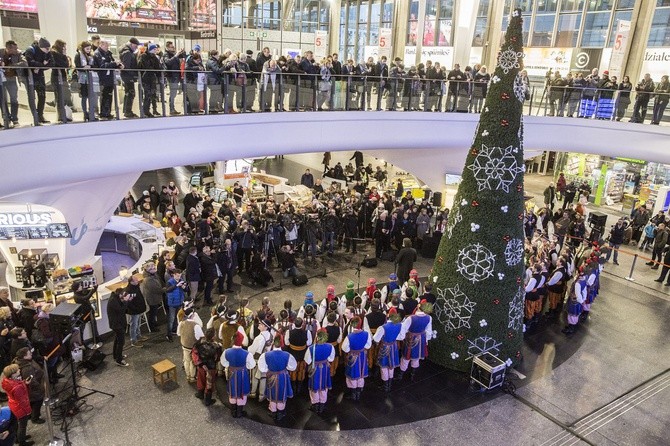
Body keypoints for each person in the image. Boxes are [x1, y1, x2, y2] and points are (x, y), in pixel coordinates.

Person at [257, 334, 297, 421]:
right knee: (281, 392)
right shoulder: (287, 355)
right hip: (283, 376)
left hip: (271, 376)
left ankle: (273, 411)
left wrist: (270, 369)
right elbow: (292, 367)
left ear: (273, 343)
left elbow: (262, 368)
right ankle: (280, 412)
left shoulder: (266, 355)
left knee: (272, 392)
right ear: (282, 343)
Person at [221, 331, 255, 417]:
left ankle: (233, 411)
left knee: (233, 390)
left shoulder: (227, 351)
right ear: (242, 341)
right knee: (242, 391)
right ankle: (239, 412)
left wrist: (231, 365)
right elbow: (251, 365)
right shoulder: (247, 354)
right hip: (243, 374)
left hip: (232, 373)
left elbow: (224, 363)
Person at [398, 301, 433, 381]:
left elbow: (403, 329)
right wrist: (426, 340)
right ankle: (412, 375)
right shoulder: (429, 318)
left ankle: (400, 375)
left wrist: (401, 338)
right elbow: (428, 331)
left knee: (406, 357)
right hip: (421, 339)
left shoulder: (411, 318)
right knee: (416, 357)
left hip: (411, 339)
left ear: (418, 306)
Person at [304, 329, 335, 413]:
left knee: (314, 386)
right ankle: (322, 405)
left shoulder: (311, 348)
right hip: (325, 368)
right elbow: (331, 359)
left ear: (317, 337)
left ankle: (315, 404)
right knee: (324, 386)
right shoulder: (330, 346)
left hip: (315, 369)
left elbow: (307, 360)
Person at [23, 37, 53, 124]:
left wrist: (39, 67)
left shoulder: (47, 52)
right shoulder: (30, 50)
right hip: (29, 76)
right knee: (32, 97)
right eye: (46, 48)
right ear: (41, 47)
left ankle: (40, 115)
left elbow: (52, 63)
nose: (48, 50)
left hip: (40, 76)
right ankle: (35, 116)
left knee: (42, 96)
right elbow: (30, 62)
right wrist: (42, 65)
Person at [373, 308, 403, 392]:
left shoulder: (383, 327)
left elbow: (376, 339)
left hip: (384, 347)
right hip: (394, 346)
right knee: (391, 366)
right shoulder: (400, 325)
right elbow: (401, 337)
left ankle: (385, 385)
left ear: (388, 315)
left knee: (384, 366)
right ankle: (389, 383)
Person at [341, 316, 371, 401]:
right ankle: (359, 391)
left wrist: (352, 350)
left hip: (352, 357)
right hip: (362, 356)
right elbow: (368, 345)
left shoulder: (349, 337)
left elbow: (344, 348)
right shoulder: (366, 334)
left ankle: (353, 394)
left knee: (352, 374)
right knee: (361, 374)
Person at [1, 364, 31, 446]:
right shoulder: (16, 388)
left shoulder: (7, 381)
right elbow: (22, 400)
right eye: (18, 370)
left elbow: (17, 385)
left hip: (13, 405)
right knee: (22, 426)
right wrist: (27, 411)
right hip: (20, 408)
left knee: (18, 424)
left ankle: (19, 438)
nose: (19, 370)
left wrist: (24, 383)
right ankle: (22, 442)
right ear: (13, 374)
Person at [13, 348, 44, 425]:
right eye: (29, 354)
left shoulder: (26, 362)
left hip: (32, 389)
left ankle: (31, 414)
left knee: (32, 402)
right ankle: (35, 418)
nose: (31, 354)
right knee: (37, 402)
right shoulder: (26, 367)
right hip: (33, 390)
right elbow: (31, 381)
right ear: (24, 357)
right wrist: (39, 387)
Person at [93, 40, 123, 120]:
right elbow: (102, 65)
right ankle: (103, 113)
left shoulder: (109, 54)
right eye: (106, 46)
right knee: (105, 95)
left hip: (110, 77)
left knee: (109, 95)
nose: (107, 47)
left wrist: (119, 65)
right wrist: (114, 64)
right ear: (101, 45)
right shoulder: (97, 53)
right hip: (103, 78)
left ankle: (107, 112)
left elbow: (112, 62)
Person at [193, 327, 222, 407]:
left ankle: (200, 394)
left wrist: (200, 363)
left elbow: (194, 353)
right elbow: (218, 357)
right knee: (209, 383)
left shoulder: (199, 342)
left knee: (200, 380)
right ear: (213, 337)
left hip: (201, 366)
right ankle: (208, 400)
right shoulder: (217, 346)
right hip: (211, 367)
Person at [0, 40, 26, 127]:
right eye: (14, 49)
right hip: (1, 79)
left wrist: (12, 66)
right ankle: (6, 118)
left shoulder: (18, 54)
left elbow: (24, 63)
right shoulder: (1, 53)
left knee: (14, 98)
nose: (17, 50)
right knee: (3, 99)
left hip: (12, 79)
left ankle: (15, 119)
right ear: (8, 48)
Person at [247, 318, 272, 401]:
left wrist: (249, 349)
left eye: (261, 324)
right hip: (266, 359)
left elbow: (252, 350)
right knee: (263, 378)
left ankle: (253, 393)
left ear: (265, 327)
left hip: (257, 359)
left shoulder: (259, 338)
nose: (259, 325)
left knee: (255, 377)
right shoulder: (270, 335)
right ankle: (261, 395)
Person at [178, 307, 204, 383]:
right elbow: (200, 336)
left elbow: (178, 333)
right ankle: (192, 377)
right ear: (192, 315)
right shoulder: (195, 325)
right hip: (192, 347)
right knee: (192, 362)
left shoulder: (181, 323)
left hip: (184, 345)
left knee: (186, 361)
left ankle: (187, 375)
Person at [71, 281, 101, 349]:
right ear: (77, 289)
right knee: (82, 328)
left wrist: (94, 288)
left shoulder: (80, 292)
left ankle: (96, 338)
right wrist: (93, 289)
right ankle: (82, 342)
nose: (81, 286)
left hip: (89, 312)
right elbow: (86, 297)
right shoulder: (76, 296)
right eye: (80, 286)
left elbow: (89, 293)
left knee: (93, 325)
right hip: (84, 314)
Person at [107, 290, 131, 367]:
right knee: (121, 342)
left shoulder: (115, 298)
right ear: (119, 294)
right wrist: (126, 301)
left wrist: (124, 300)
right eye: (123, 295)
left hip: (118, 323)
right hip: (117, 324)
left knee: (117, 340)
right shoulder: (113, 301)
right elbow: (121, 310)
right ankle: (119, 360)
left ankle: (116, 355)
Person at [137, 43, 161, 117]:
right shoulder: (144, 56)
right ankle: (145, 111)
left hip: (152, 77)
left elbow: (158, 67)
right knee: (147, 94)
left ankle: (153, 109)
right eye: (154, 49)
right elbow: (144, 66)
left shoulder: (154, 57)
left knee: (152, 94)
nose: (155, 50)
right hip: (146, 78)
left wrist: (158, 73)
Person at [119, 37, 140, 119]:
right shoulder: (127, 52)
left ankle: (126, 111)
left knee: (128, 93)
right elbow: (127, 66)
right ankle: (128, 111)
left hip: (127, 75)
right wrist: (134, 74)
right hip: (128, 76)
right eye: (135, 46)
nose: (136, 48)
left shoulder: (127, 51)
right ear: (131, 44)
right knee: (131, 93)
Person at [140, 262, 163, 332]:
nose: (154, 269)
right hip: (152, 298)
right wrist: (165, 290)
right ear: (148, 270)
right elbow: (156, 289)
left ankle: (154, 323)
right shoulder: (148, 279)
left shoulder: (153, 275)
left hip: (154, 297)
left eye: (154, 267)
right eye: (152, 268)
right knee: (153, 313)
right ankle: (152, 326)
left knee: (154, 312)